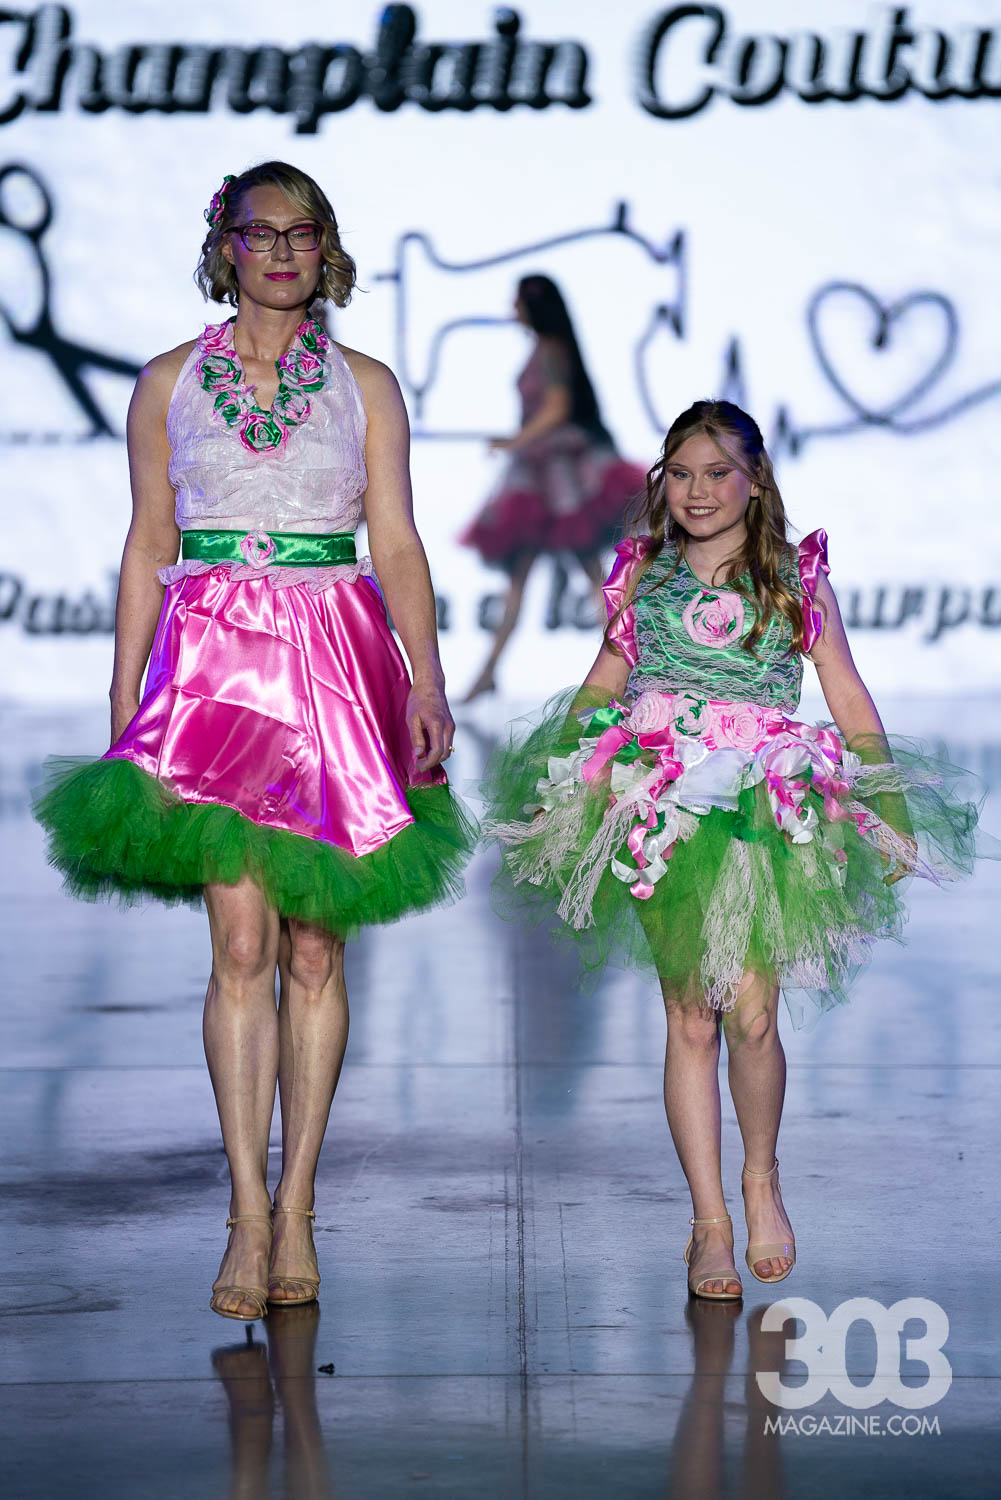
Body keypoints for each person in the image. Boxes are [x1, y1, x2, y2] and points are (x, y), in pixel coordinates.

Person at [34, 161, 474, 1321]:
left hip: (335, 661)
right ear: (223, 245)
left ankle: (298, 1205)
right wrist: (125, 698)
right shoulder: (167, 383)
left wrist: (428, 677)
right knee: (240, 944)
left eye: (301, 232)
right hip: (216, 669)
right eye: (259, 231)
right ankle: (242, 1208)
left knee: (315, 948)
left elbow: (397, 541)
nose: (280, 251)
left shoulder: (365, 386)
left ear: (326, 248)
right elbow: (148, 544)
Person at [482, 399, 988, 1300]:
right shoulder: (642, 574)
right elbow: (604, 679)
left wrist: (887, 801)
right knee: (690, 1012)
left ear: (755, 480)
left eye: (717, 473)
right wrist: (560, 771)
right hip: (659, 800)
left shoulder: (795, 578)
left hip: (762, 799)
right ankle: (708, 1221)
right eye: (680, 474)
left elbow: (845, 691)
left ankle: (760, 1179)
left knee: (751, 1012)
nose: (697, 491)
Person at [459, 274, 646, 701]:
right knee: (564, 576)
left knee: (586, 576)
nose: (513, 309)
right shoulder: (547, 348)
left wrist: (514, 441)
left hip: (558, 477)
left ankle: (625, 666)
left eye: (518, 301)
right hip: (542, 475)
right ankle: (490, 671)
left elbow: (558, 408)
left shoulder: (551, 350)